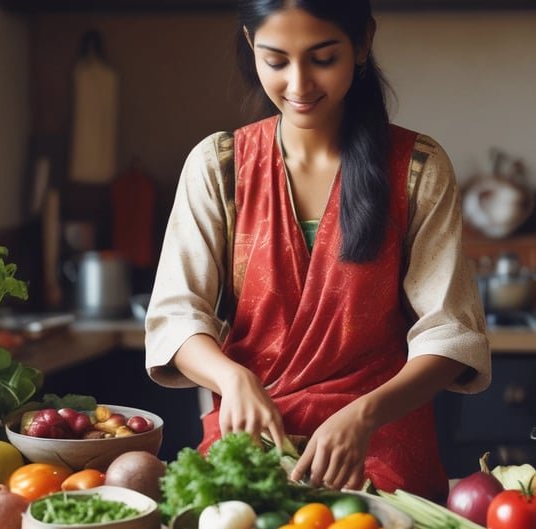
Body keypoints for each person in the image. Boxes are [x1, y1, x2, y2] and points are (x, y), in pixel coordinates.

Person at [144, 0, 491, 501]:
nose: (299, 85)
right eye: (276, 60)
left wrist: (365, 414)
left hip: (378, 438)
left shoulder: (418, 167)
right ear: (250, 47)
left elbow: (453, 333)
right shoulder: (218, 166)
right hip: (253, 438)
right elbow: (176, 317)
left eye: (322, 58)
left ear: (363, 42)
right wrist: (233, 378)